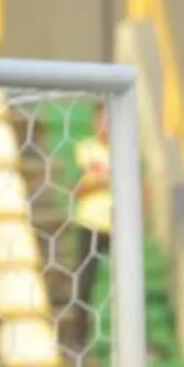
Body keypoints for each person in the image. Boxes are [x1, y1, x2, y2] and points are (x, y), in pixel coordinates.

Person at [73, 105, 111, 343]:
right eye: (102, 120)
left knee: (129, 284)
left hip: (119, 226)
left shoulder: (125, 149)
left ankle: (138, 343)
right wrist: (106, 180)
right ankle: (79, 339)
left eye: (109, 120)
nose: (105, 126)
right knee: (85, 282)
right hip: (90, 223)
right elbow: (79, 187)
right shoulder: (86, 148)